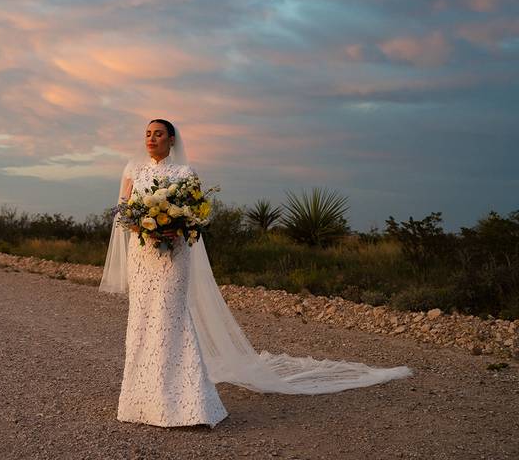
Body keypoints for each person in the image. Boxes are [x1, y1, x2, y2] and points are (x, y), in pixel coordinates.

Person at [100, 119, 413, 428]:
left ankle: (187, 402)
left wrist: (174, 229)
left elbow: (195, 215)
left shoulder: (185, 174)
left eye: (158, 134)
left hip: (173, 258)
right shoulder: (133, 170)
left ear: (172, 140)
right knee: (143, 321)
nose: (151, 139)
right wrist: (143, 226)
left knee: (172, 319)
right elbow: (124, 210)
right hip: (144, 257)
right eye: (148, 134)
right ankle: (139, 400)